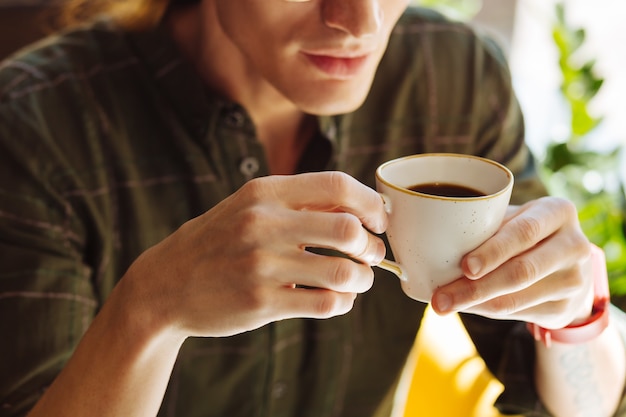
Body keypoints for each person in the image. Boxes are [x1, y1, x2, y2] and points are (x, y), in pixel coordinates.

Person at [0, 0, 625, 416]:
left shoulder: (454, 80)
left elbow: (586, 403)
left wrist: (574, 314)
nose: (360, 20)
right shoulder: (35, 125)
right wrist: (148, 310)